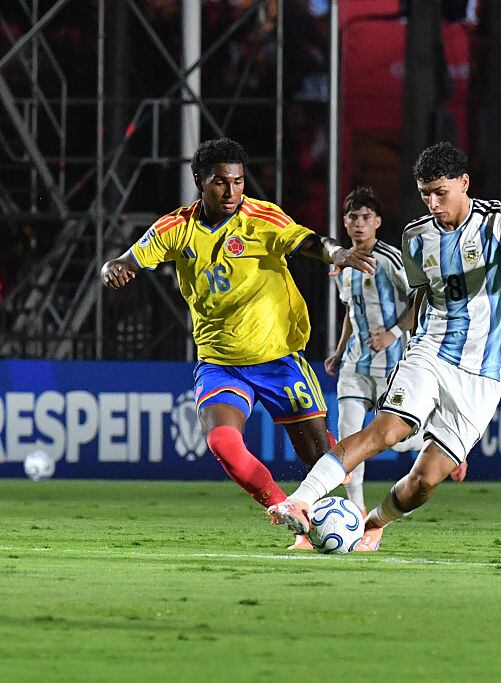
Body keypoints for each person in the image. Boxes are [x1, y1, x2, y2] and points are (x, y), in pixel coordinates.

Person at [268, 141, 501, 550]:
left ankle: (373, 522)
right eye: (425, 194)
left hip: (484, 370)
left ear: (464, 183)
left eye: (441, 192)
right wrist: (408, 348)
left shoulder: (499, 221)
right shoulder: (416, 235)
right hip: (431, 348)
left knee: (425, 480)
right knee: (385, 431)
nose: (434, 203)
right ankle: (301, 500)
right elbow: (422, 296)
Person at [100, 137, 375, 549]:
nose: (231, 191)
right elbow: (127, 260)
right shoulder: (177, 228)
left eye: (238, 181)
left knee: (324, 459)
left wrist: (336, 253)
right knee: (223, 442)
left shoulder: (262, 218)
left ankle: (354, 515)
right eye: (220, 182)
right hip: (220, 363)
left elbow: (311, 242)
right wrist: (113, 268)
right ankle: (288, 510)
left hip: (278, 359)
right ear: (199, 181)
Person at [324, 186, 426, 513]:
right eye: (353, 217)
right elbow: (351, 312)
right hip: (356, 364)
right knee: (349, 438)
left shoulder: (391, 259)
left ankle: (426, 439)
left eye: (366, 217)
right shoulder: (343, 265)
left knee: (396, 440)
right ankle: (355, 512)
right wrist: (339, 351)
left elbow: (419, 298)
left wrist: (393, 334)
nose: (359, 223)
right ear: (345, 221)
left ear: (378, 222)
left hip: (393, 365)